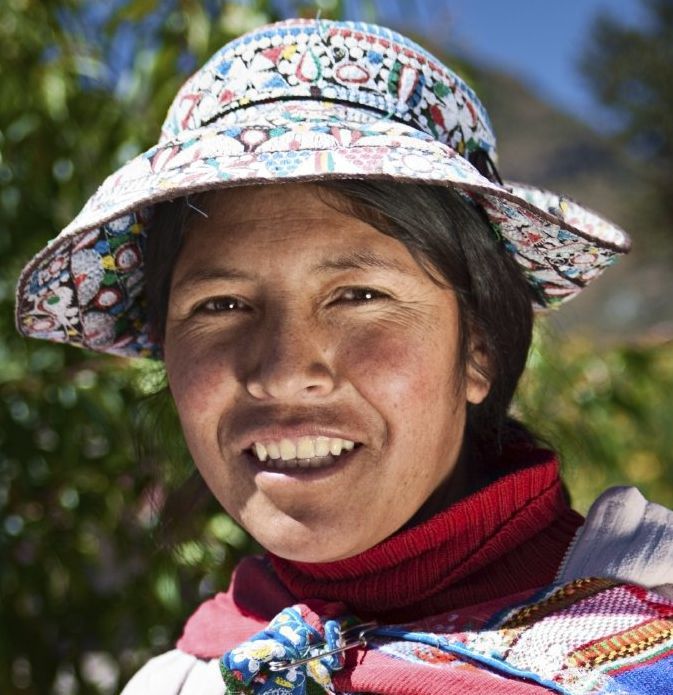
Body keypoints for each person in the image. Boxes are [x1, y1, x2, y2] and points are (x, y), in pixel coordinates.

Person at [15, 17, 673, 695]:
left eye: (358, 295)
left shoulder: (644, 656)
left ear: (478, 346)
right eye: (221, 305)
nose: (283, 372)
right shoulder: (186, 678)